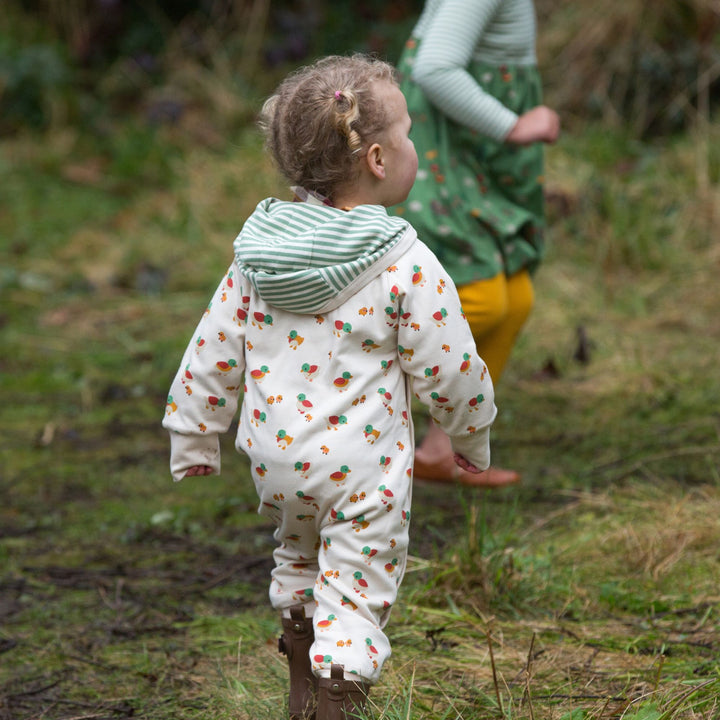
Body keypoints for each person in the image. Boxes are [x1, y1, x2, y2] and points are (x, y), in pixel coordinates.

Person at [162, 54, 497, 720]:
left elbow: (214, 342)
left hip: (278, 461)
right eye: (406, 135)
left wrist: (194, 433)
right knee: (358, 580)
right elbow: (451, 365)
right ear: (376, 158)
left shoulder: (260, 250)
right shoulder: (401, 259)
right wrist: (471, 436)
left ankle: (300, 681)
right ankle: (338, 699)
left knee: (300, 552)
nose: (414, 149)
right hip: (362, 468)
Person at [391, 0, 560, 488]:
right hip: (446, 160)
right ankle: (356, 400)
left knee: (516, 298)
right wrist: (511, 125)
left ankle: (440, 450)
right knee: (482, 299)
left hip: (470, 158)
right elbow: (435, 67)